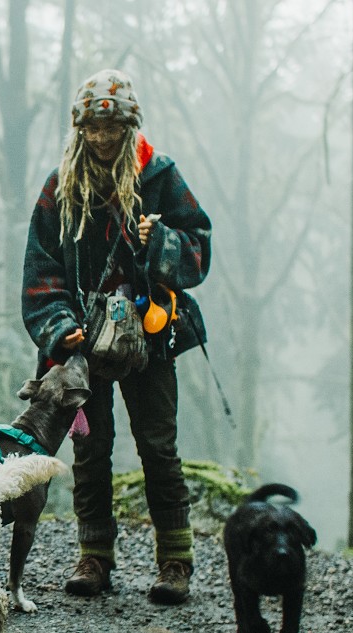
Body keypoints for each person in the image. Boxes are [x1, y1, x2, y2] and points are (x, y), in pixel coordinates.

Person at [21, 69, 211, 605]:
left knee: (157, 446)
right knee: (90, 448)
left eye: (114, 127)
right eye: (93, 128)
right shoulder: (60, 187)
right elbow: (41, 269)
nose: (103, 138)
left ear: (130, 125)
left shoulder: (160, 176)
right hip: (83, 345)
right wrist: (61, 330)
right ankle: (95, 557)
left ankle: (175, 561)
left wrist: (163, 242)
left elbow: (200, 250)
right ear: (79, 128)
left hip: (149, 339)